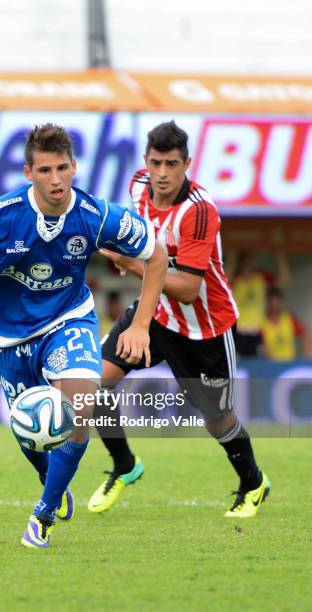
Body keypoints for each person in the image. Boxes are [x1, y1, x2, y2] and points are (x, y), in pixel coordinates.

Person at [0, 123, 167, 549]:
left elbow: (156, 256)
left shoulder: (96, 215)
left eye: (63, 168)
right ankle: (51, 481)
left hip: (68, 319)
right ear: (28, 172)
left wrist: (141, 324)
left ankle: (43, 515)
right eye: (46, 170)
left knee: (81, 408)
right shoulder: (0, 216)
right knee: (28, 431)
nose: (56, 179)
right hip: (9, 336)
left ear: (74, 167)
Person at [88, 120, 270, 519]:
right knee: (93, 386)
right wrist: (124, 254)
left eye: (172, 164)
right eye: (157, 163)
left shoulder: (199, 212)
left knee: (217, 419)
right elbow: (136, 237)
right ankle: (124, 465)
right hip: (156, 314)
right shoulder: (138, 186)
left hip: (206, 327)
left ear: (187, 163)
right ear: (145, 162)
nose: (163, 173)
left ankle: (254, 483)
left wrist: (131, 264)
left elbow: (188, 288)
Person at [225, 251, 290, 357]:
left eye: (250, 263)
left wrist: (279, 252)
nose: (248, 266)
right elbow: (224, 280)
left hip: (259, 330)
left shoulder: (261, 277)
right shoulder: (236, 279)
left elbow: (284, 279)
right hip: (239, 331)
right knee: (237, 366)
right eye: (245, 263)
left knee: (260, 365)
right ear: (240, 264)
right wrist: (232, 256)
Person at [261, 286, 312, 361]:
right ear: (268, 303)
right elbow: (261, 348)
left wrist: (308, 356)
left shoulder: (289, 318)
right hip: (272, 365)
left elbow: (305, 335)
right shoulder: (261, 323)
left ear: (281, 302)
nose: (275, 306)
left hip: (289, 363)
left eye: (277, 302)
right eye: (272, 303)